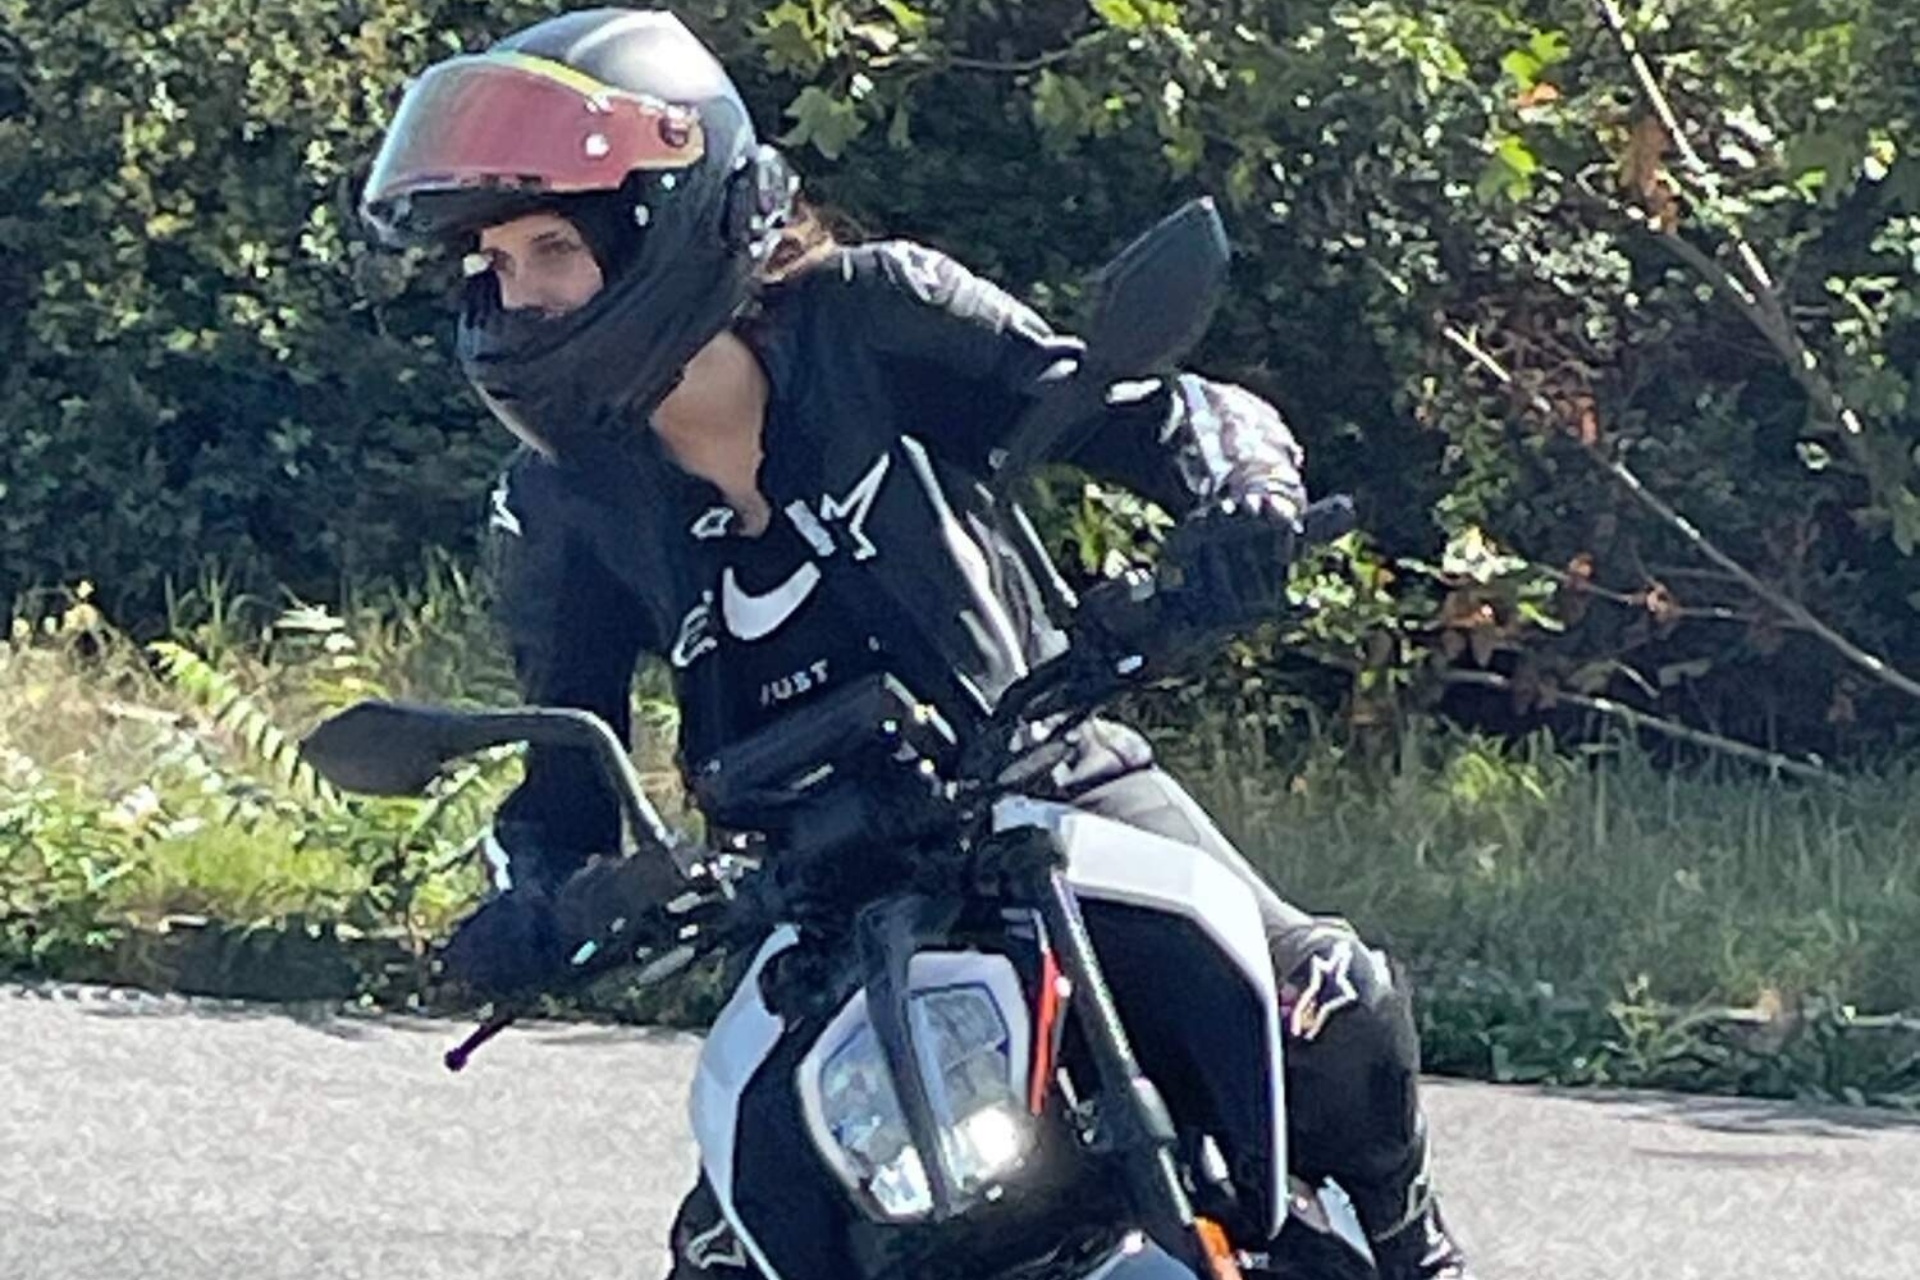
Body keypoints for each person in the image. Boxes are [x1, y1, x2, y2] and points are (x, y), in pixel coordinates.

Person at [360, 9, 1475, 1279]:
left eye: (553, 247)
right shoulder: (563, 503)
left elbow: (1149, 409)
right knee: (733, 1242)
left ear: (673, 220)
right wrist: (533, 908)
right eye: (494, 261)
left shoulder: (873, 317)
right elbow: (564, 782)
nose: (516, 296)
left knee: (1322, 1000)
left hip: (1049, 789)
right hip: (814, 905)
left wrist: (1242, 499)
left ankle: (1415, 1251)